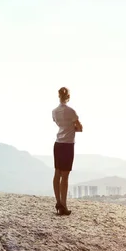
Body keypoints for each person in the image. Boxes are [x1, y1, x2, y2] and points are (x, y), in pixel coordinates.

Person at [52, 87, 82, 215]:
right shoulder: (72, 111)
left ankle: (58, 201)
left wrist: (66, 127)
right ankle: (64, 205)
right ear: (68, 97)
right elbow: (80, 128)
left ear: (58, 96)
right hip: (68, 145)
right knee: (65, 177)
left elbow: (59, 125)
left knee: (57, 173)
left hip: (58, 144)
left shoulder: (54, 111)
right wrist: (72, 128)